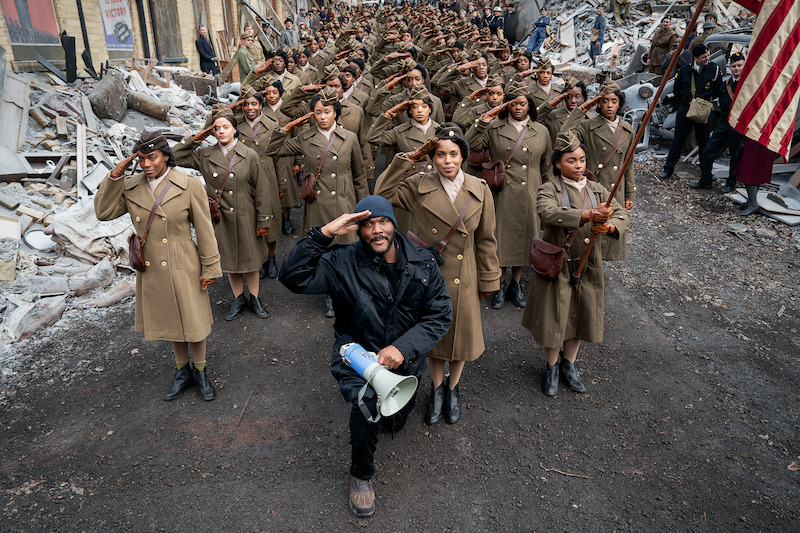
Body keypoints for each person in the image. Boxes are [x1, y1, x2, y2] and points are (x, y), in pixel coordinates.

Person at [278, 197, 451, 518]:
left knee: (394, 421)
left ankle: (390, 412)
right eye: (368, 225)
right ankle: (361, 475)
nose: (376, 231)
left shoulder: (423, 263)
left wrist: (404, 348)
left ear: (394, 224)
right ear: (357, 230)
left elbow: (439, 315)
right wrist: (323, 233)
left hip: (405, 362)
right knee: (366, 409)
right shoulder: (340, 262)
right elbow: (292, 277)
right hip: (356, 356)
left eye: (382, 222)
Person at [375, 124, 501, 426]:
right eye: (440, 154)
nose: (447, 160)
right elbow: (381, 194)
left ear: (463, 157)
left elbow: (486, 239)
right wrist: (407, 159)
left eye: (454, 154)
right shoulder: (418, 184)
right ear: (432, 157)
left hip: (465, 272)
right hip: (429, 273)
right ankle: (436, 388)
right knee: (433, 336)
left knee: (461, 337)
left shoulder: (479, 188)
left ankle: (453, 388)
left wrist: (489, 279)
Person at [94, 131, 221, 401]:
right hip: (152, 266)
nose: (146, 164)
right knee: (171, 320)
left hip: (184, 260)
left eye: (152, 157)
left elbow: (204, 229)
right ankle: (181, 371)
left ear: (165, 155)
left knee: (193, 320)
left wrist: (209, 267)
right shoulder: (131, 186)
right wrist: (115, 176)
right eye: (141, 159)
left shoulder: (189, 183)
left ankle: (200, 371)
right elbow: (103, 213)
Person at [522, 131, 630, 396]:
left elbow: (621, 212)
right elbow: (547, 212)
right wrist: (586, 214)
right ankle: (552, 365)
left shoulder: (597, 189)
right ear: (558, 163)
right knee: (554, 315)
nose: (579, 165)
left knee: (581, 312)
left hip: (588, 262)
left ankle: (569, 363)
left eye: (582, 159)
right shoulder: (549, 188)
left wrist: (610, 226)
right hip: (558, 263)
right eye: (571, 160)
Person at [267, 86, 369, 317]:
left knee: (348, 250)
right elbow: (272, 150)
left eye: (327, 112)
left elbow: (359, 175)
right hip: (318, 204)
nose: (322, 117)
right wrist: (286, 129)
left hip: (345, 200)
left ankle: (350, 292)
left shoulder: (349, 138)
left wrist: (364, 209)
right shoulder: (304, 138)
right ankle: (331, 294)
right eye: (318, 112)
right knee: (325, 250)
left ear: (336, 113)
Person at [174, 108, 275, 321]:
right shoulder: (204, 154)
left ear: (235, 129)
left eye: (226, 127)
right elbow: (175, 156)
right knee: (229, 258)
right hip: (220, 217)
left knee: (250, 258)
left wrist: (263, 219)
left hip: (246, 215)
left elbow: (262, 190)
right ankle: (238, 298)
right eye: (217, 128)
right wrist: (195, 138)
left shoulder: (249, 155)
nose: (221, 131)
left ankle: (255, 298)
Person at [465, 80, 552, 309]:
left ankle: (516, 283)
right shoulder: (494, 128)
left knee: (524, 240)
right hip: (502, 192)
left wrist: (548, 194)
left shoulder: (541, 131)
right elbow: (471, 143)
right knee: (500, 238)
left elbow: (547, 166)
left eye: (522, 104)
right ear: (506, 106)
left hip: (530, 193)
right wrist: (485, 119)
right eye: (513, 104)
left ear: (529, 105)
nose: (518, 108)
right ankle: (499, 283)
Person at [560, 81, 635, 260]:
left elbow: (628, 164)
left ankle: (597, 269)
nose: (609, 105)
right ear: (598, 103)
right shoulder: (588, 126)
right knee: (588, 232)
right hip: (594, 187)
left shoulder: (627, 130)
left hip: (616, 188)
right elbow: (564, 134)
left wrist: (630, 193)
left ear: (620, 103)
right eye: (605, 101)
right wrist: (582, 109)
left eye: (614, 101)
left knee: (608, 229)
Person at [233, 86, 285, 279]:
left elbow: (280, 156)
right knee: (251, 218)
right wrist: (233, 107)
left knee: (270, 217)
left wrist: (282, 183)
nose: (249, 108)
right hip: (244, 176)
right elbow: (212, 125)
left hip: (268, 173)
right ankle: (260, 260)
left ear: (261, 105)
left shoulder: (271, 124)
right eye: (245, 104)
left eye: (253, 103)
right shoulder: (235, 124)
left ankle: (271, 258)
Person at [661, 44, 722, 181]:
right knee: (678, 140)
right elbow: (676, 91)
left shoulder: (714, 69)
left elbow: (717, 89)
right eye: (703, 57)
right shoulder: (684, 71)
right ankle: (668, 169)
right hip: (686, 108)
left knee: (704, 143)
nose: (707, 59)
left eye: (708, 55)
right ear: (695, 58)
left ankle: (706, 175)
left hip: (704, 110)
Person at [699, 53, 746, 193]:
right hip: (723, 123)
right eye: (733, 66)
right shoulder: (725, 83)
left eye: (739, 66)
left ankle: (731, 183)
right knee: (707, 152)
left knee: (735, 156)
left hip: (738, 125)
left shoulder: (747, 85)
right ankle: (706, 180)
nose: (736, 69)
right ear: (730, 67)